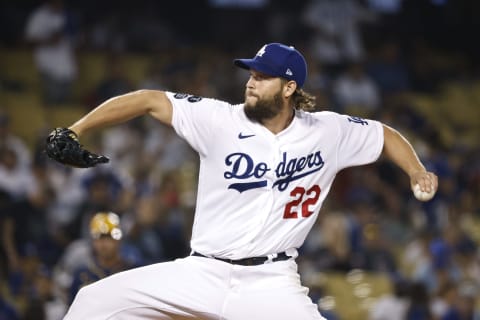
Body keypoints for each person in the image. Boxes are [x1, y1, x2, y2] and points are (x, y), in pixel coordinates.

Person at [51, 43, 438, 320]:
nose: (251, 82)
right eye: (251, 74)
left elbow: (384, 134)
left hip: (271, 282)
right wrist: (76, 128)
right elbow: (149, 100)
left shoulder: (327, 131)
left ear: (290, 89)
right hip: (201, 272)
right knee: (93, 303)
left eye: (263, 76)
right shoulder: (219, 119)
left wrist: (416, 170)